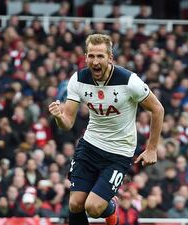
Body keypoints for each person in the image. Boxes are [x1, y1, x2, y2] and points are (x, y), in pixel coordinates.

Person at [48, 34, 164, 225]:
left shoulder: (129, 81)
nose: (95, 61)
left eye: (100, 56)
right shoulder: (78, 80)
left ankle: (111, 209)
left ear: (110, 58)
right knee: (76, 204)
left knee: (93, 208)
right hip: (90, 146)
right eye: (91, 56)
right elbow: (67, 122)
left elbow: (157, 109)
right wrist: (59, 117)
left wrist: (151, 148)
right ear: (85, 57)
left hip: (119, 153)